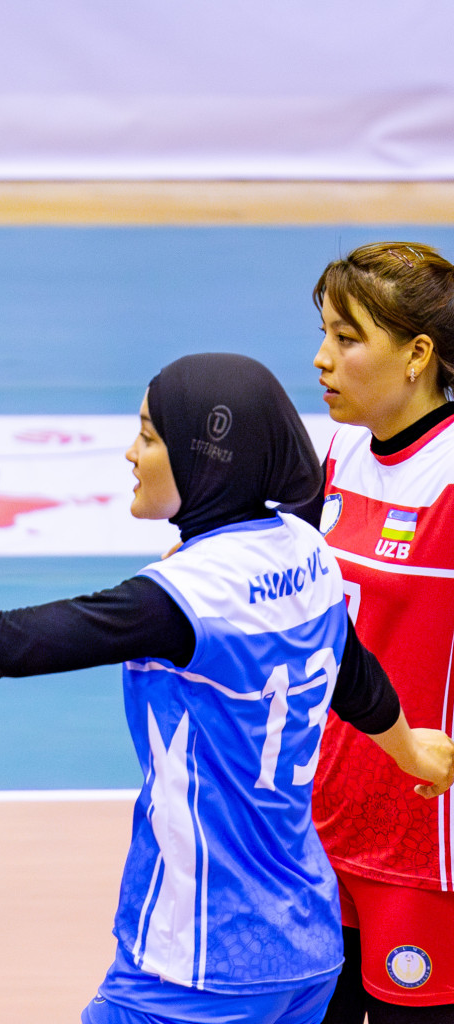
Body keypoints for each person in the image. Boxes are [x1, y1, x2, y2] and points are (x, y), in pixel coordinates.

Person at [0, 352, 454, 1024]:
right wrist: (411, 751)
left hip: (196, 961)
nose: (130, 454)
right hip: (305, 943)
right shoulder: (306, 551)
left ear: (202, 459)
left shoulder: (182, 598)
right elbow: (353, 666)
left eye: (149, 436)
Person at [309, 242, 454, 1024]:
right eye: (325, 334)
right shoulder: (341, 453)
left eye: (347, 338)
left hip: (428, 846)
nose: (322, 358)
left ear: (418, 356)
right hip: (327, 826)